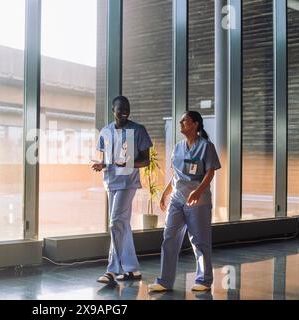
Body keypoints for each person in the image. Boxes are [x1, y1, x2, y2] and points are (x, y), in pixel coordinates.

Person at [148, 111, 221, 293]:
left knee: (199, 240)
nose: (181, 122)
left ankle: (204, 280)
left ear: (195, 124)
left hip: (198, 201)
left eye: (185, 120)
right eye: (180, 120)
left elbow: (210, 172)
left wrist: (198, 191)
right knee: (169, 238)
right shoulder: (178, 147)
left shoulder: (206, 146)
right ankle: (165, 281)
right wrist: (165, 193)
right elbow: (176, 175)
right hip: (177, 199)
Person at [92, 96, 153, 284]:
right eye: (121, 108)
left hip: (128, 183)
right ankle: (132, 268)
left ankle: (112, 269)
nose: (125, 111)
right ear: (113, 110)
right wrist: (102, 165)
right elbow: (107, 158)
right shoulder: (105, 132)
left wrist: (129, 163)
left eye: (127, 108)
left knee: (115, 222)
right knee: (122, 224)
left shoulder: (138, 130)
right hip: (110, 182)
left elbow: (146, 160)